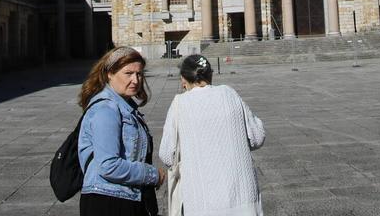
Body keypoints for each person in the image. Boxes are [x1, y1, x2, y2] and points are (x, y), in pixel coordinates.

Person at [159, 54, 265, 216]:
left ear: (183, 79)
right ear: (210, 74)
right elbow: (257, 137)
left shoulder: (180, 103)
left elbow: (167, 155)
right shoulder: (230, 94)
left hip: (202, 201)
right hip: (243, 198)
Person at [77, 46, 165, 216]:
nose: (135, 80)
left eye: (139, 74)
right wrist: (152, 175)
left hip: (123, 198)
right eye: (128, 73)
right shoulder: (106, 109)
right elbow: (108, 165)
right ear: (110, 73)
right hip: (109, 201)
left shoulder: (123, 106)